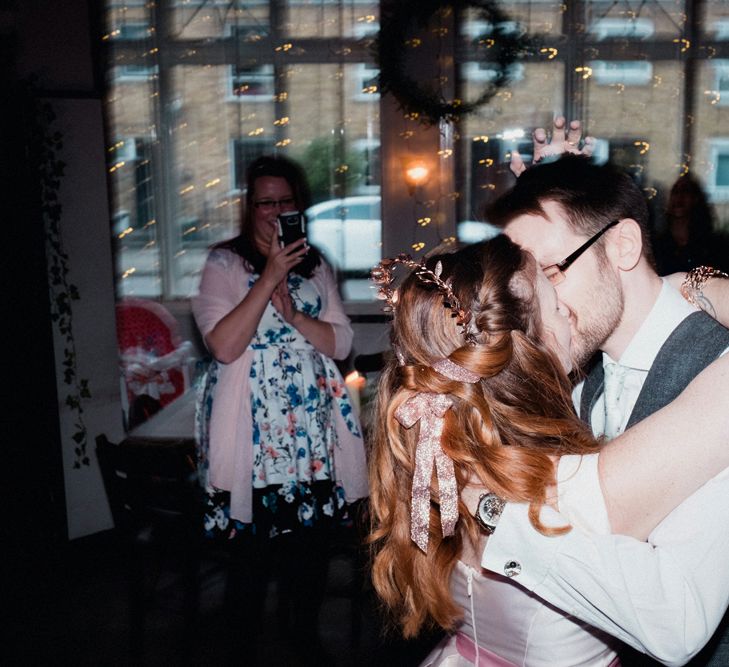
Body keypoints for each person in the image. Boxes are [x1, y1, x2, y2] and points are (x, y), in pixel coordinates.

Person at [367, 238, 729, 666]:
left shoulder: (435, 456)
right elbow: (677, 627)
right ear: (530, 345)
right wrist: (692, 285)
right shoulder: (576, 485)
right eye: (553, 299)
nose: (567, 308)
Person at [478, 146, 729, 665]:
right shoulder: (579, 369)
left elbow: (675, 619)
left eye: (551, 272)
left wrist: (493, 511)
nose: (535, 307)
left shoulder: (715, 368)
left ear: (623, 246)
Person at [192, 154, 368, 663]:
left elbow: (340, 343)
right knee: (251, 561)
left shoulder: (316, 266)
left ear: (299, 206)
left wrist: (294, 314)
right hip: (253, 437)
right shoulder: (223, 264)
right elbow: (224, 346)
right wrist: (269, 278)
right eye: (265, 203)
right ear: (248, 208)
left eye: (285, 201)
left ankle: (304, 641)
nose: (275, 212)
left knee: (308, 558)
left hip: (311, 436)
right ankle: (243, 648)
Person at [653, 172, 729, 276]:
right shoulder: (658, 245)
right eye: (675, 192)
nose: (679, 197)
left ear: (695, 199)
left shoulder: (713, 246)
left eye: (685, 191)